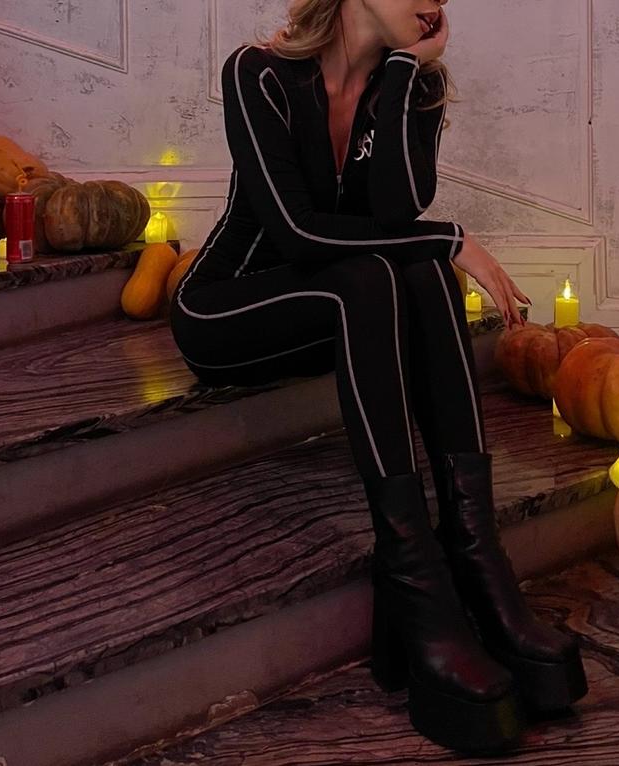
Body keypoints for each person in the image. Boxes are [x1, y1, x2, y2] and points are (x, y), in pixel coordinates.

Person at [170, 0, 588, 753]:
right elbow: (296, 233)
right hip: (229, 307)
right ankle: (412, 569)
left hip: (337, 307)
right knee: (378, 275)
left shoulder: (416, 86)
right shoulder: (258, 74)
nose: (436, 2)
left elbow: (396, 208)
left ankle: (474, 553)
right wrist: (450, 238)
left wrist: (399, 72)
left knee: (418, 276)